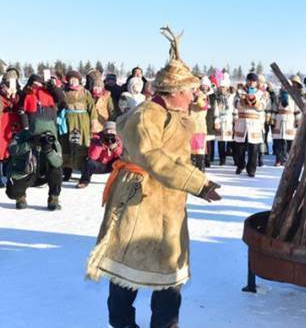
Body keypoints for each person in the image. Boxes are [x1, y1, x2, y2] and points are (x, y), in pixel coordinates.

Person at [86, 28, 222, 328]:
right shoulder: (146, 115)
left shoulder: (171, 111)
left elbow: (184, 128)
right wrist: (199, 183)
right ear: (174, 93)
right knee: (128, 268)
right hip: (140, 200)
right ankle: (122, 325)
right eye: (189, 91)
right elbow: (153, 157)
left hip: (167, 203)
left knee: (169, 272)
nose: (194, 97)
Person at [5, 117, 63, 210]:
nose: (43, 136)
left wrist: (49, 151)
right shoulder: (23, 135)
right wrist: (29, 144)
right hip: (24, 172)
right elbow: (11, 149)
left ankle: (53, 198)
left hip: (43, 173)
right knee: (13, 192)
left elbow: (58, 162)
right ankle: (20, 197)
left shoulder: (52, 140)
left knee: (57, 169)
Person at [58, 70, 96, 182]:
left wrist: (93, 122)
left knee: (81, 144)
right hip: (68, 121)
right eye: (70, 79)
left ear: (79, 81)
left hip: (82, 121)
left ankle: (82, 169)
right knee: (67, 144)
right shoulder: (63, 92)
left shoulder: (85, 92)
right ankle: (67, 170)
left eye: (75, 79)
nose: (73, 81)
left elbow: (92, 108)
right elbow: (59, 106)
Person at [233, 73, 267, 177]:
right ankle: (240, 165)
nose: (251, 82)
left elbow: (262, 106)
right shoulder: (240, 91)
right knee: (239, 147)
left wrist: (254, 100)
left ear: (256, 82)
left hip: (254, 123)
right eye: (249, 80)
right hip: (242, 121)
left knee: (254, 148)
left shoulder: (261, 93)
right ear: (246, 81)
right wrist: (244, 100)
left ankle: (251, 169)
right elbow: (235, 104)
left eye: (253, 81)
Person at [77, 121, 122, 188]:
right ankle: (84, 181)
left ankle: (120, 181)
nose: (110, 133)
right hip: (99, 165)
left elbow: (121, 155)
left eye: (112, 130)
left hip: (111, 165)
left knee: (122, 161)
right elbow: (92, 157)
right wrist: (100, 145)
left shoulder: (117, 139)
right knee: (89, 162)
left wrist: (115, 148)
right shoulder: (97, 138)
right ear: (104, 131)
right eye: (108, 130)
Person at [0, 68, 22, 186]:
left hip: (14, 127)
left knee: (11, 153)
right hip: (2, 127)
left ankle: (10, 176)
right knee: (1, 152)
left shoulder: (18, 95)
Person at [271, 87, 301, 166]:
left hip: (290, 121)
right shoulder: (278, 98)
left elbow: (297, 111)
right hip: (279, 120)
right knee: (278, 142)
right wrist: (272, 120)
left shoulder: (294, 97)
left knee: (289, 142)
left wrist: (298, 121)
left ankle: (287, 159)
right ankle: (278, 159)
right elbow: (274, 110)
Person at [213, 74, 236, 166]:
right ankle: (222, 159)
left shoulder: (231, 96)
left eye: (224, 87)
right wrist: (216, 119)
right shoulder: (217, 98)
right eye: (221, 87)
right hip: (220, 119)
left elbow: (234, 107)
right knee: (220, 141)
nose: (222, 89)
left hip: (229, 119)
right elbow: (216, 109)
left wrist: (235, 118)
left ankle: (234, 157)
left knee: (231, 140)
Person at [189, 79, 209, 172]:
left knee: (199, 151)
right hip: (187, 128)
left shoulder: (202, 96)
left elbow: (204, 106)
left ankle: (200, 171)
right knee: (189, 152)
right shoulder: (186, 95)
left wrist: (197, 98)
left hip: (198, 128)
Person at [201, 76, 217, 167]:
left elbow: (216, 109)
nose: (204, 87)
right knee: (201, 142)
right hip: (200, 120)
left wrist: (216, 119)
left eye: (205, 86)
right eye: (202, 86)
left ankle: (208, 159)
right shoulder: (198, 95)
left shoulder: (212, 96)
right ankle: (201, 158)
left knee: (208, 142)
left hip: (209, 119)